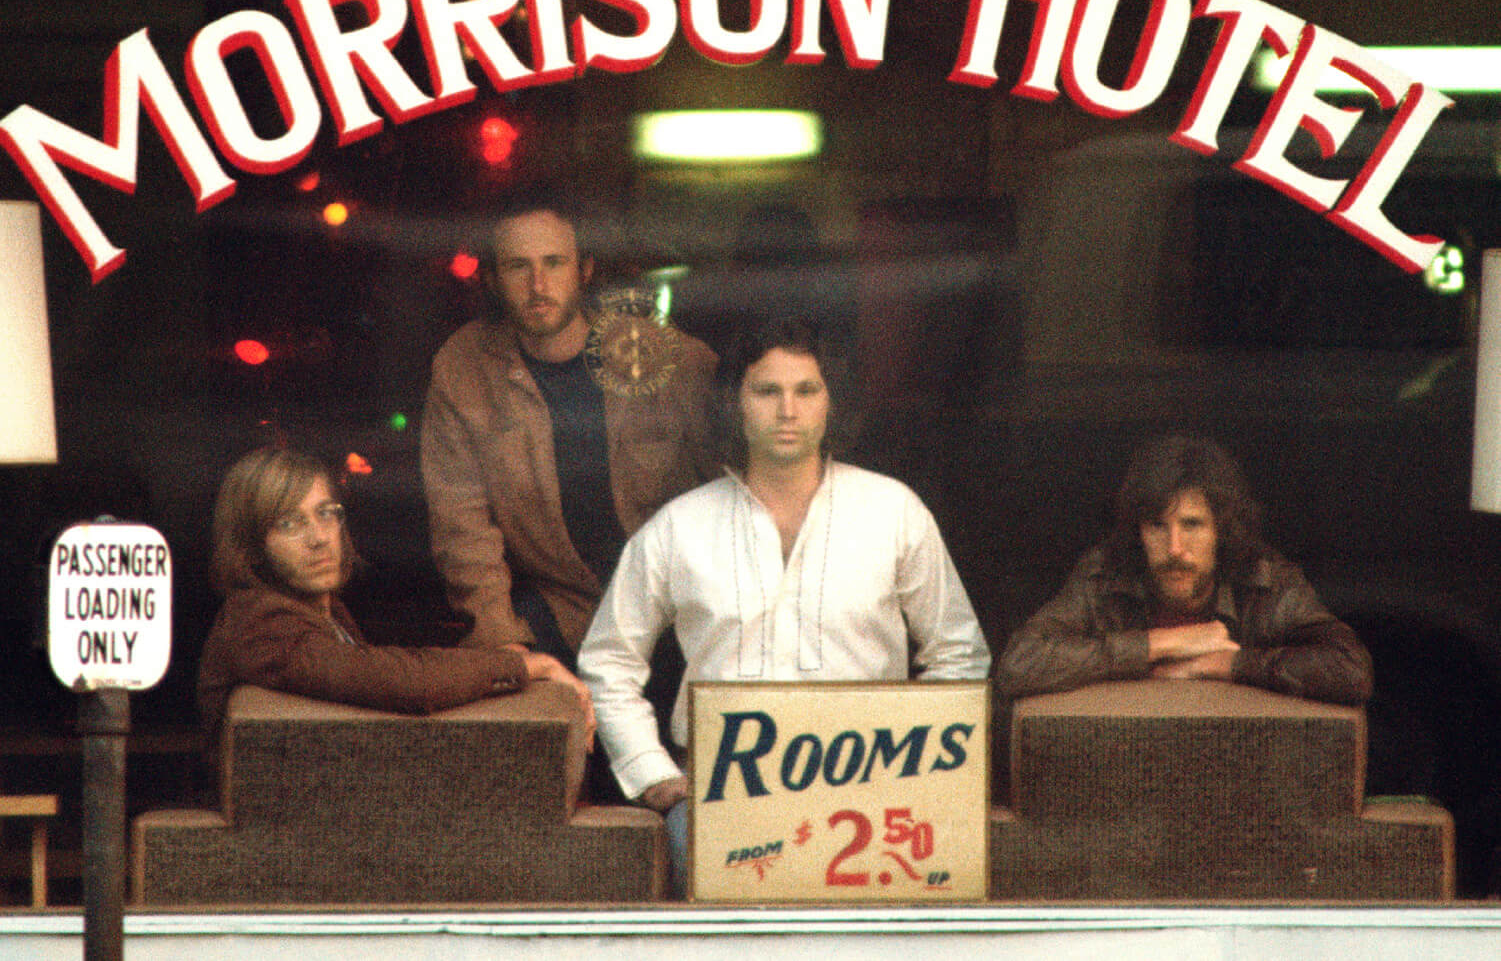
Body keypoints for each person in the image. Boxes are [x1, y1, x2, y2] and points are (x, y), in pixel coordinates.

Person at [577, 313, 990, 891]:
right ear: (734, 404)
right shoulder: (680, 527)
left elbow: (959, 656)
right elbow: (607, 662)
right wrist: (658, 777)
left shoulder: (893, 512)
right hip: (723, 796)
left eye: (806, 391)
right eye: (767, 391)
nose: (788, 411)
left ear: (831, 402)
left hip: (870, 798)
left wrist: (917, 773)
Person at [420, 187, 717, 666]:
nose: (538, 285)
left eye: (554, 263)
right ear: (493, 279)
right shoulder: (465, 370)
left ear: (585, 270)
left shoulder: (667, 358)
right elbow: (463, 528)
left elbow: (741, 486)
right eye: (518, 267)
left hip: (677, 608)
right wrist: (504, 649)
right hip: (563, 609)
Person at [198, 445, 593, 746]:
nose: (318, 538)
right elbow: (405, 682)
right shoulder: (257, 622)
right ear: (251, 547)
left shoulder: (326, 613)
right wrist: (529, 665)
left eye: (326, 513)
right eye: (289, 523)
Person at [993, 434, 1373, 705]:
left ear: (1221, 530)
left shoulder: (1263, 580)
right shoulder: (1106, 576)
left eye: (1192, 525)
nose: (1174, 549)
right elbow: (1020, 664)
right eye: (1158, 526)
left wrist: (1231, 664)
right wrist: (1161, 644)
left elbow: (1350, 669)